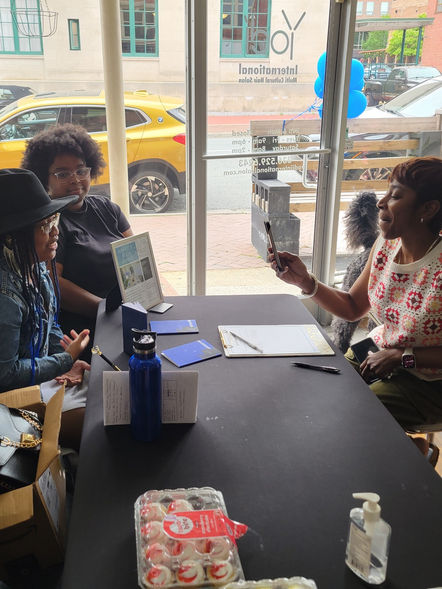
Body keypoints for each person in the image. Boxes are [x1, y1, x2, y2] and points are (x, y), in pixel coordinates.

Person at [270, 157, 442, 459]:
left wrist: (403, 356)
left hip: (430, 380)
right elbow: (352, 307)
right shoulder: (386, 246)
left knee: (356, 411)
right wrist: (305, 281)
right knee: (318, 389)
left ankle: (415, 455)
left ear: (428, 209)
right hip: (383, 352)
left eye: (396, 195)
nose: (381, 202)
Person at [21, 123, 133, 360]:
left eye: (81, 170)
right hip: (83, 332)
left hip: (123, 313)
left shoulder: (107, 208)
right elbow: (54, 283)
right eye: (63, 174)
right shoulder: (49, 223)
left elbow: (135, 254)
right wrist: (104, 309)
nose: (75, 179)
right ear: (44, 178)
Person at [0, 168, 91, 450]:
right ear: (12, 238)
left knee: (107, 391)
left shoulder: (34, 266)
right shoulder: (5, 297)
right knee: (97, 423)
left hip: (36, 384)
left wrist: (65, 359)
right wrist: (63, 360)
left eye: (55, 220)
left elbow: (47, 324)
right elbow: (5, 376)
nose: (55, 232)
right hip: (10, 403)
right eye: (44, 225)